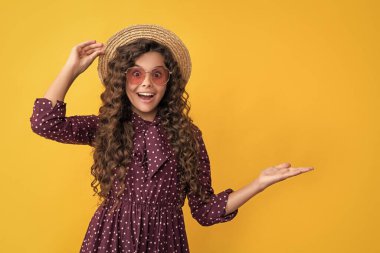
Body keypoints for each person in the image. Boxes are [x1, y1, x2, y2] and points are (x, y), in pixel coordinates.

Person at [29, 24, 314, 253]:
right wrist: (71, 69)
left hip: (166, 242)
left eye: (157, 74)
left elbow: (204, 211)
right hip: (111, 239)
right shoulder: (109, 126)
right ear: (122, 80)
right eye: (135, 74)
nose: (146, 83)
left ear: (169, 81)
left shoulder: (188, 136)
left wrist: (259, 184)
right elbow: (44, 123)